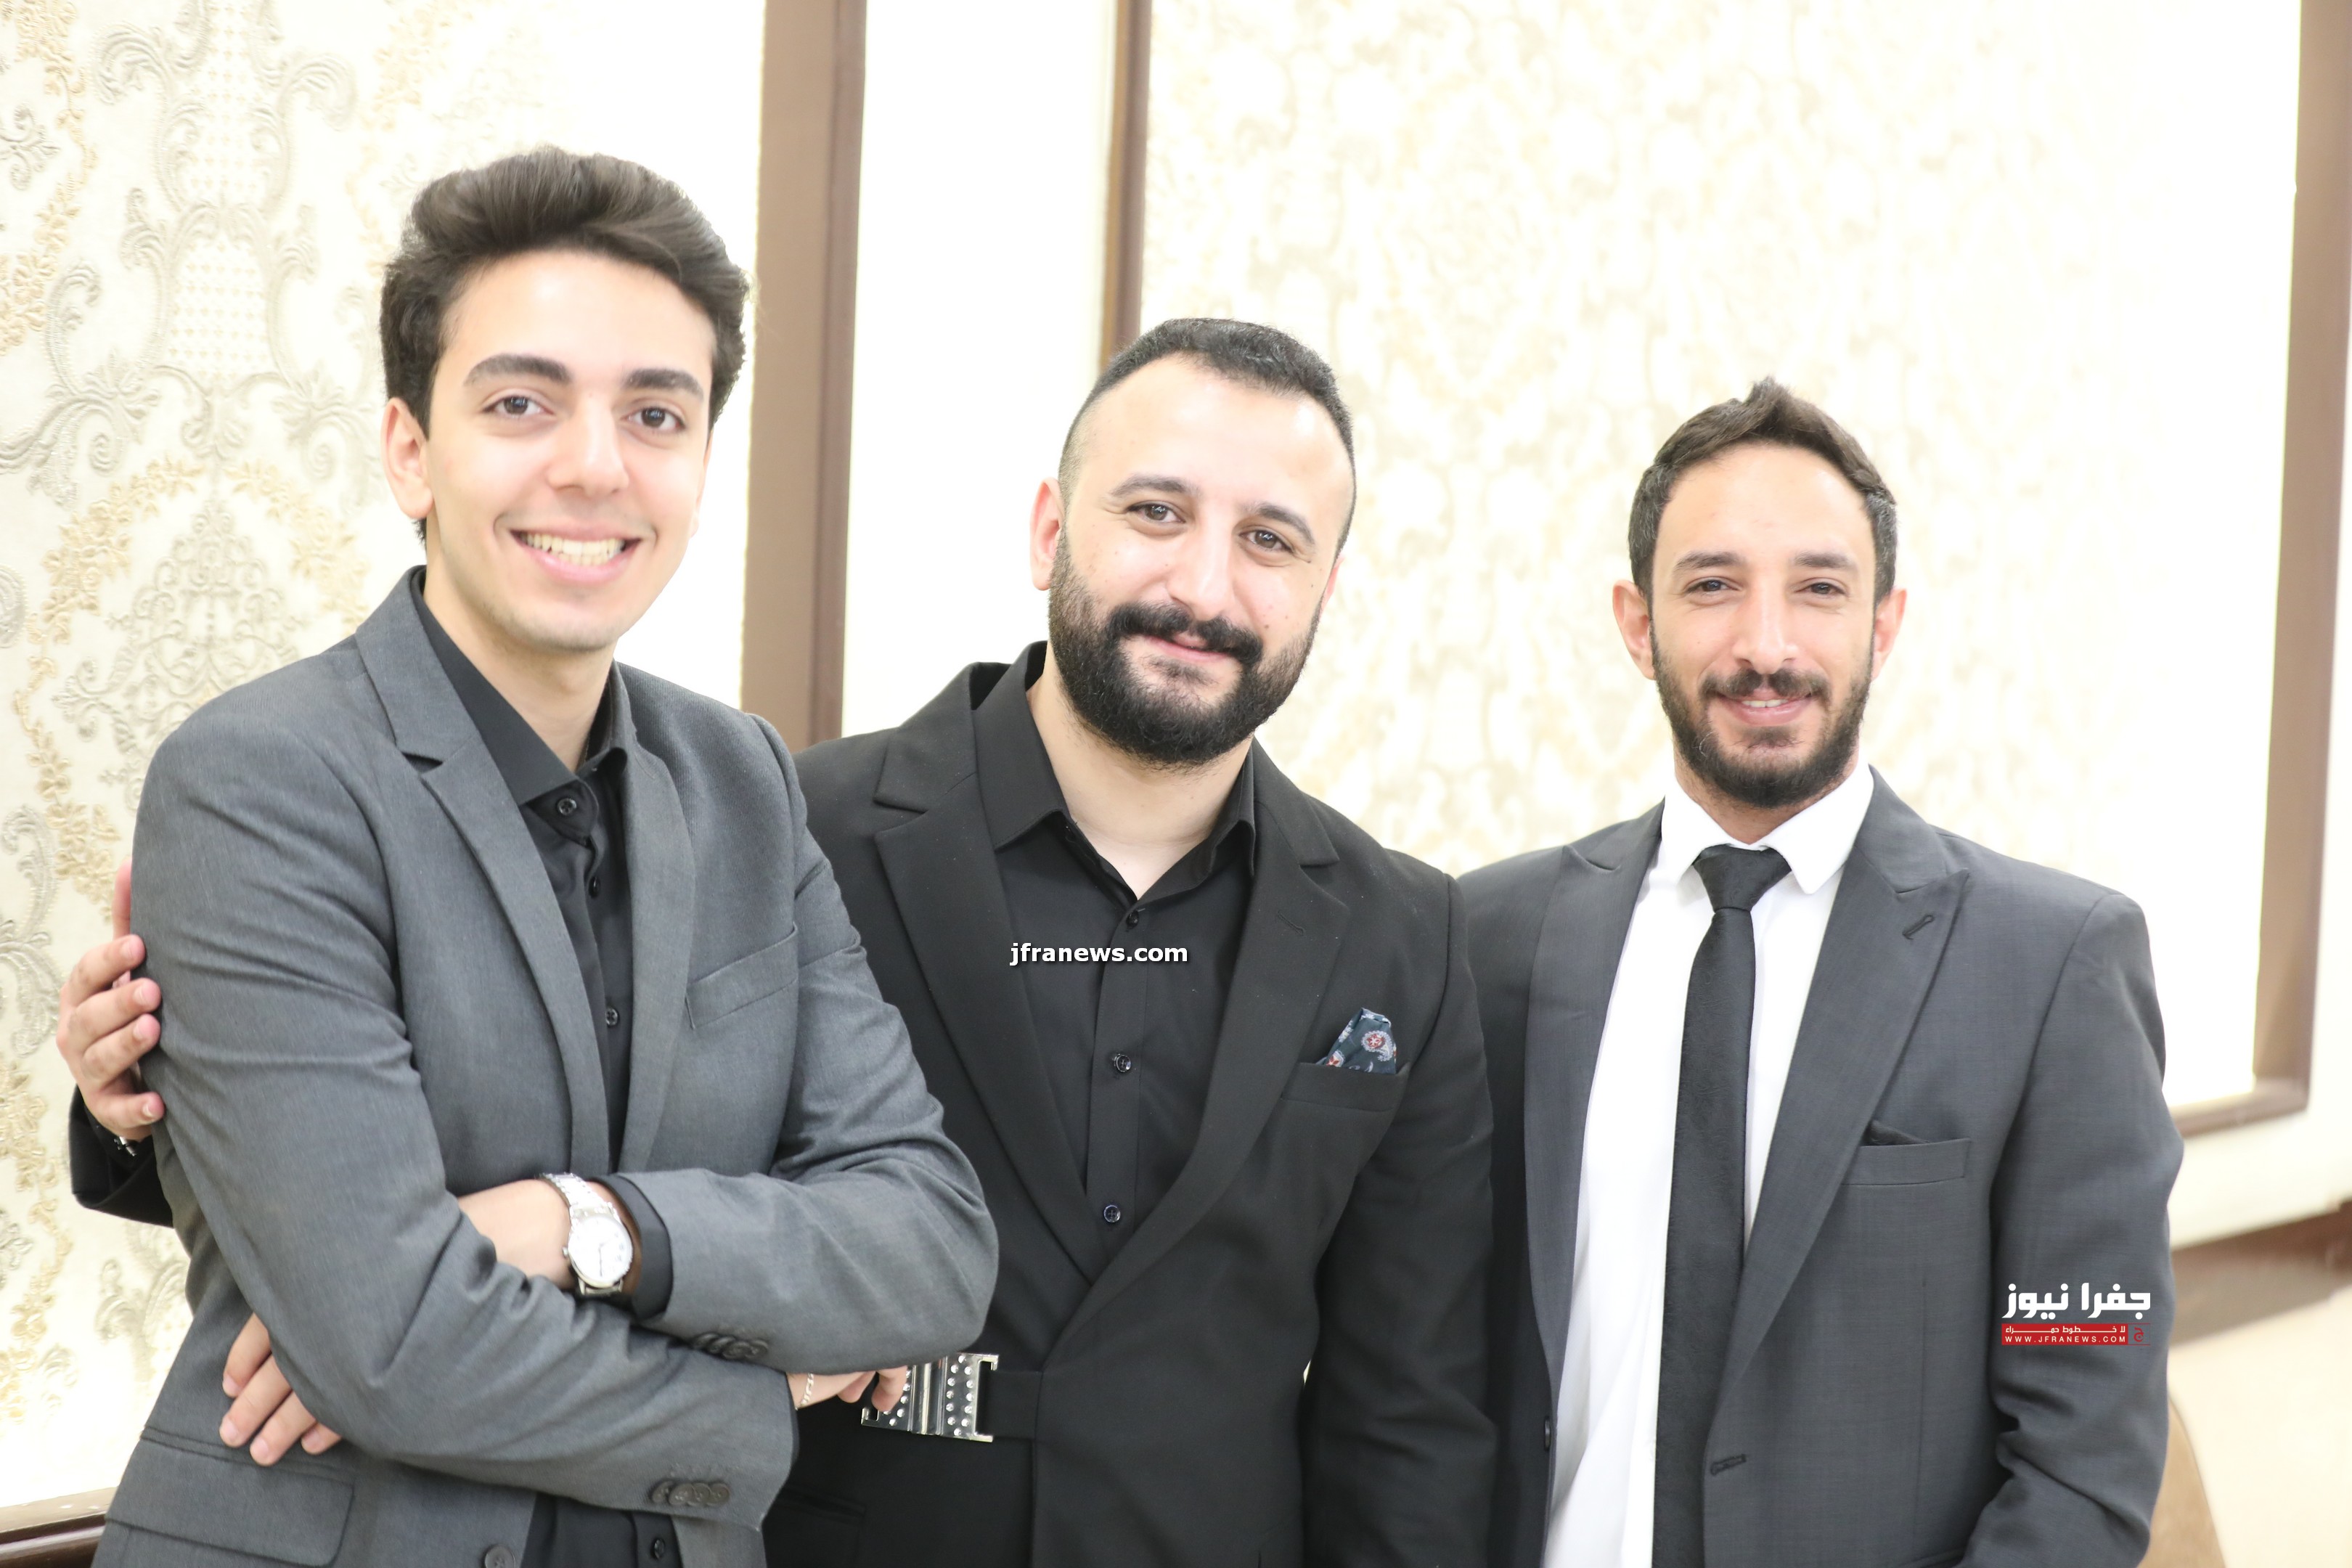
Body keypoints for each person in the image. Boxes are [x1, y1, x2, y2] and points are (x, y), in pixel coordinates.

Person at [61, 318, 1496, 1566]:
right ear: (1051, 531)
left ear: (1326, 586)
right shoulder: (784, 824)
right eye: (1156, 512)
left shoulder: (1407, 936)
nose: (1204, 586)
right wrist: (159, 1107)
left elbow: (1408, 1417)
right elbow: (504, 1109)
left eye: (1270, 541)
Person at [56, 147, 995, 1568]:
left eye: (656, 413)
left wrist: (581, 1225)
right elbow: (392, 1346)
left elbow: (929, 1243)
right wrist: (769, 1400)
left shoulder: (743, 779)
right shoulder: (262, 778)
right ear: (410, 451)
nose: (595, 465)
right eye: (520, 403)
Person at [1466, 380, 2181, 1568]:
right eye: (1712, 585)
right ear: (1637, 625)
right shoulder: (1491, 939)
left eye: (1820, 589)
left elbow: (2083, 1470)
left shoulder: (2056, 967)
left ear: (1884, 626)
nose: (1767, 645)